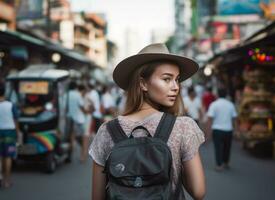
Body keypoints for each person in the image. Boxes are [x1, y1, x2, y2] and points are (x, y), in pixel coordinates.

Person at [89, 43, 206, 200]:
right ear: (143, 83)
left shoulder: (107, 130)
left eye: (177, 80)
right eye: (166, 79)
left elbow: (97, 197)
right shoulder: (183, 127)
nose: (175, 87)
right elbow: (198, 192)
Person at [207, 88, 238, 171]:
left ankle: (219, 165)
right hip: (228, 129)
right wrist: (236, 130)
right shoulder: (230, 104)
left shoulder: (214, 104)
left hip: (217, 129)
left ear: (217, 94)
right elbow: (234, 119)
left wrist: (208, 132)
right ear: (226, 95)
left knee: (218, 148)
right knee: (227, 147)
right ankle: (226, 162)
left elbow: (210, 119)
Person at [0, 83, 21, 188]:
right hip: (10, 132)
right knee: (8, 157)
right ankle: (7, 181)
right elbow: (16, 120)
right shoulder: (11, 105)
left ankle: (1, 178)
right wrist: (18, 133)